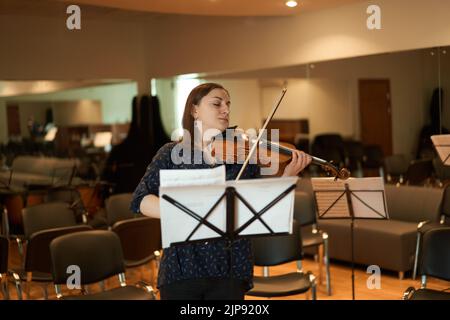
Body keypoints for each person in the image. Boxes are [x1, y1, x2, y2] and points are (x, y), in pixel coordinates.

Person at [130, 83, 311, 300]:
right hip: (182, 268)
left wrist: (288, 176)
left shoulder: (243, 154)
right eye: (217, 103)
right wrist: (182, 210)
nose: (225, 109)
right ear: (194, 110)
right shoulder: (171, 153)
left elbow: (263, 203)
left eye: (228, 104)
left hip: (230, 266)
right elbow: (140, 199)